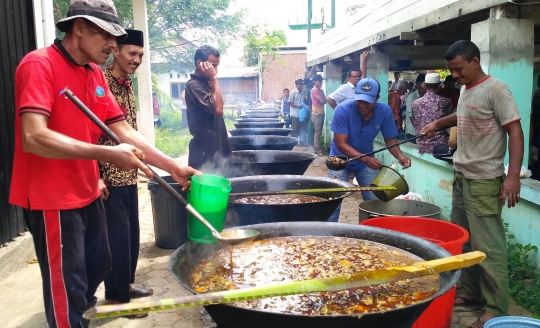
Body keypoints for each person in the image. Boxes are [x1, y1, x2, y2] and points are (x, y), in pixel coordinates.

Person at [9, 1, 200, 327]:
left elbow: (121, 129)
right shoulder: (39, 65)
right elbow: (33, 137)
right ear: (79, 27)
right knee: (67, 285)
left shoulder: (93, 73)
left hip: (88, 190)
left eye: (116, 36)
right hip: (51, 197)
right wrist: (108, 154)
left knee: (99, 264)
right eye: (107, 35)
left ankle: (80, 312)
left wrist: (172, 165)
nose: (113, 44)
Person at [421, 40, 524, 328]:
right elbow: (465, 115)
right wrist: (438, 124)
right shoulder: (467, 89)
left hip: (484, 180)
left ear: (475, 62)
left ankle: (495, 307)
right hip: (462, 176)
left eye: (458, 69)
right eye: (450, 70)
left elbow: (515, 130)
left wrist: (513, 176)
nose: (454, 76)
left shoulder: (497, 89)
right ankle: (468, 291)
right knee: (464, 238)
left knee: (488, 245)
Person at [97, 29, 152, 318]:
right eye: (132, 53)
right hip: (108, 175)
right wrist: (95, 174)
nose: (136, 59)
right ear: (115, 51)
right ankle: (116, 299)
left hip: (128, 174)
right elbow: (88, 133)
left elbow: (128, 129)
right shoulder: (100, 81)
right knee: (115, 239)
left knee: (131, 234)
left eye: (140, 55)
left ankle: (126, 286)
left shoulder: (126, 83)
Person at [327, 78, 412, 222]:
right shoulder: (342, 110)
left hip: (365, 163)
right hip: (340, 160)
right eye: (359, 100)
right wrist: (366, 159)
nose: (362, 105)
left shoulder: (384, 111)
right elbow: (341, 144)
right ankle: (327, 234)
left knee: (375, 202)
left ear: (377, 99)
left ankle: (372, 232)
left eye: (367, 101)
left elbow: (390, 139)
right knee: (332, 202)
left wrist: (400, 156)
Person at [186, 45, 231, 170]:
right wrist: (213, 78)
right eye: (213, 65)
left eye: (216, 66)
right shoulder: (194, 86)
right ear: (199, 63)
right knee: (205, 187)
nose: (215, 70)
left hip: (215, 148)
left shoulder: (206, 84)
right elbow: (218, 109)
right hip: (203, 153)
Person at [411, 73, 453, 154]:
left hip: (421, 145)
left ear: (425, 86)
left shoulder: (415, 103)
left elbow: (415, 122)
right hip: (441, 145)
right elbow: (449, 122)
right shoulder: (446, 102)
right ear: (439, 86)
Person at [404, 74, 426, 139]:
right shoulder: (411, 97)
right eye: (421, 88)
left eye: (424, 88)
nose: (423, 90)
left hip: (422, 132)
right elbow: (411, 116)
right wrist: (419, 130)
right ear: (417, 84)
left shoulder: (426, 96)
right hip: (412, 132)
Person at [310, 74, 327, 155]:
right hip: (316, 114)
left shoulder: (321, 90)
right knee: (317, 133)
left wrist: (325, 99)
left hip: (321, 113)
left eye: (321, 81)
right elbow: (322, 101)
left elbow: (324, 100)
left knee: (319, 132)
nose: (321, 83)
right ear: (315, 82)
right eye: (320, 81)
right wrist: (325, 99)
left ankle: (318, 148)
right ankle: (317, 149)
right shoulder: (314, 90)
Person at [288, 78, 306, 145]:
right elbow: (289, 103)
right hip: (295, 114)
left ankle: (302, 142)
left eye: (302, 84)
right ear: (296, 85)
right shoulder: (293, 93)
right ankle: (294, 142)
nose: (301, 85)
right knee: (295, 129)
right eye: (300, 84)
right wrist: (298, 106)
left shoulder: (303, 92)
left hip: (302, 114)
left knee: (302, 129)